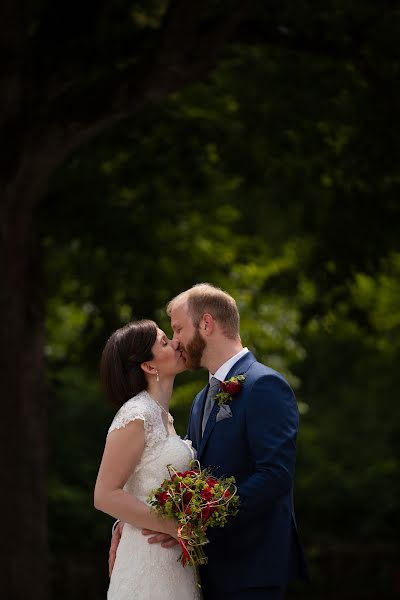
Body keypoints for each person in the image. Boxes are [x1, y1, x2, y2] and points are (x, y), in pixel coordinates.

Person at [110, 284, 309, 599]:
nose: (175, 341)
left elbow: (275, 476)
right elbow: (187, 476)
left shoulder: (264, 385)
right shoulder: (202, 399)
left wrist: (195, 522)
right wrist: (133, 520)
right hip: (205, 570)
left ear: (206, 324)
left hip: (251, 567)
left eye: (178, 329)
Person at [94, 319, 201, 600]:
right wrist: (174, 528)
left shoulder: (163, 416)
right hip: (148, 561)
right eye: (164, 342)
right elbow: (104, 494)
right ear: (149, 366)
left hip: (173, 562)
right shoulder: (137, 415)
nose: (176, 343)